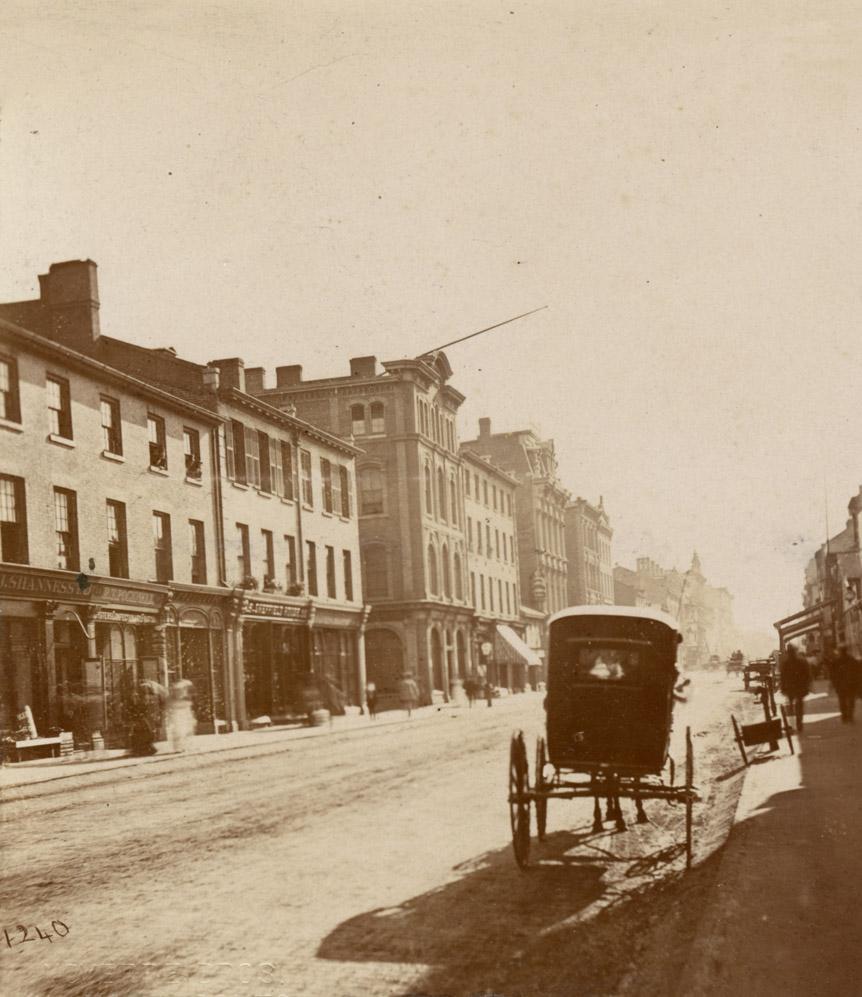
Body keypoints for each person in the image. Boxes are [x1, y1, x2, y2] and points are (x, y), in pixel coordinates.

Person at [779, 643, 811, 733]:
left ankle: (794, 724)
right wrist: (807, 686)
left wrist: (783, 688)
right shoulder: (801, 662)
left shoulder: (786, 663)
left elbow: (782, 677)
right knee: (798, 706)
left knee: (791, 706)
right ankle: (798, 723)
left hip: (791, 688)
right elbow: (807, 675)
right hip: (799, 688)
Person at [166, 678, 196, 752]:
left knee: (183, 730)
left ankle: (182, 747)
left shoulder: (184, 697)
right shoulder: (176, 698)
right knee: (179, 731)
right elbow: (171, 705)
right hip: (178, 715)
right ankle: (179, 747)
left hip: (181, 714)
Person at [831, 643, 859, 723]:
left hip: (840, 684)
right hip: (851, 683)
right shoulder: (852, 659)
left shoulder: (836, 661)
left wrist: (834, 683)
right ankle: (850, 715)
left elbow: (833, 673)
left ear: (840, 651)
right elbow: (857, 672)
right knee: (851, 700)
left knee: (842, 700)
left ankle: (844, 716)